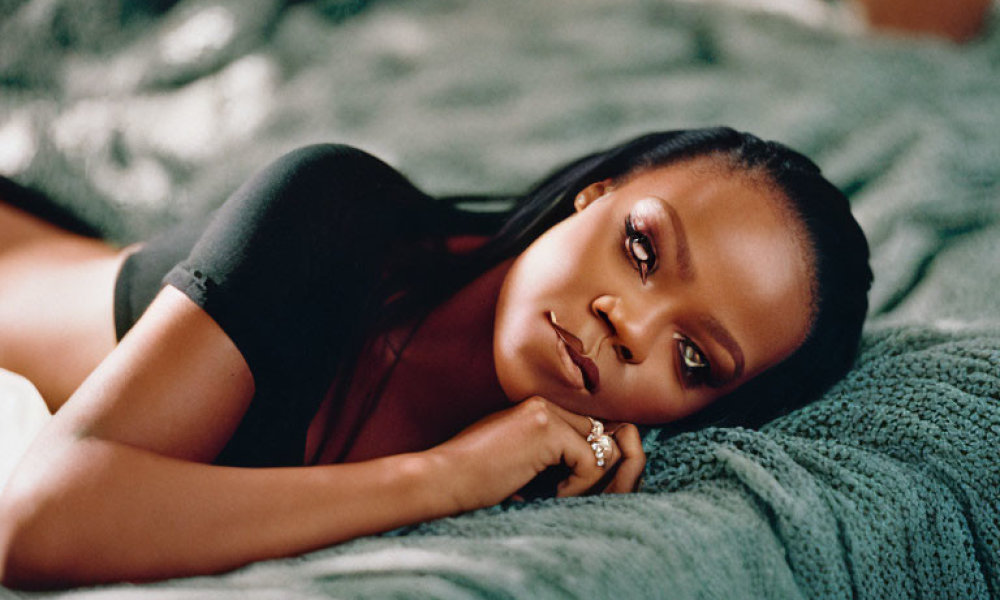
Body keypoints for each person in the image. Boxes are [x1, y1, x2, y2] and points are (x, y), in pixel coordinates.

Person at [0, 127, 872, 588]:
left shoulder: (580, 476)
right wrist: (446, 476)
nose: (627, 325)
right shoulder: (331, 208)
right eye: (641, 250)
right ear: (595, 196)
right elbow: (37, 521)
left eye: (692, 360)